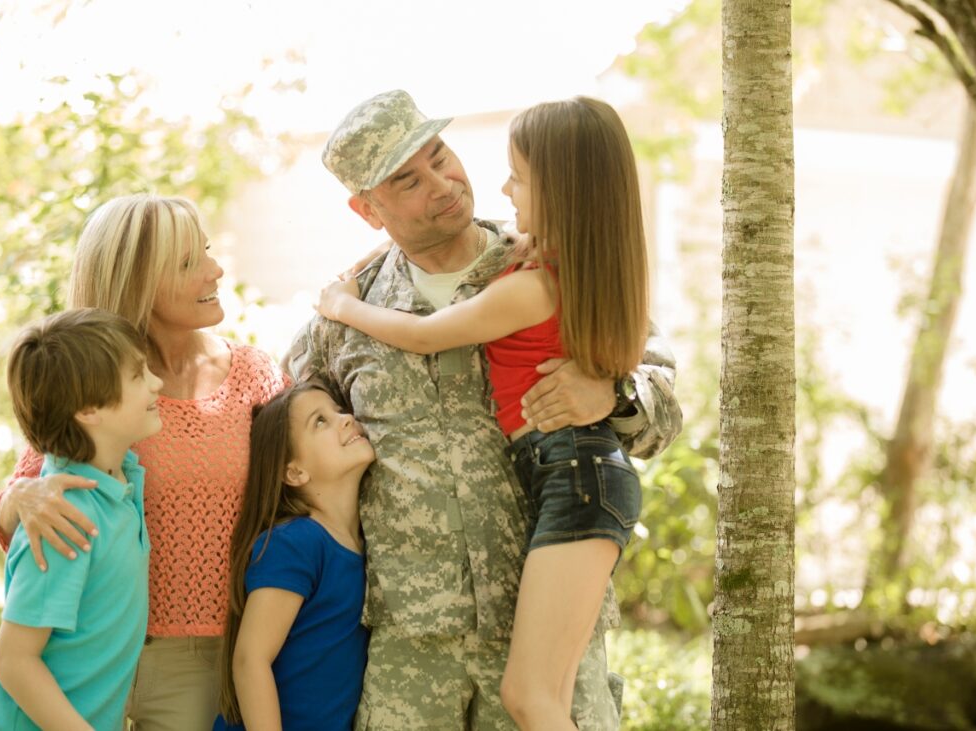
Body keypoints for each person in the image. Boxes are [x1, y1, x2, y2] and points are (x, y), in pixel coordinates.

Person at [283, 89, 684, 730]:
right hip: (412, 643)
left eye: (441, 156)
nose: (442, 184)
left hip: (544, 630)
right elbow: (285, 451)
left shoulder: (550, 259)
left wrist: (613, 393)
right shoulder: (341, 320)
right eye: (408, 180)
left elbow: (663, 403)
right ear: (367, 210)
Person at [0, 194, 288, 731]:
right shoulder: (96, 385)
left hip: (201, 660)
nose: (215, 270)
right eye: (188, 263)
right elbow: (25, 497)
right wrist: (18, 498)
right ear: (137, 282)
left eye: (206, 251)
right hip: (85, 652)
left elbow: (301, 498)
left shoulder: (254, 376)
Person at [0, 308, 161, 731]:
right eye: (139, 375)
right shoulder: (65, 517)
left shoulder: (119, 480)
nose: (156, 384)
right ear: (89, 409)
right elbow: (15, 660)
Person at [214, 383, 373, 730]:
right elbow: (250, 660)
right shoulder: (296, 542)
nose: (346, 419)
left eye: (339, 411)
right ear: (294, 472)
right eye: (320, 422)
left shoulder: (366, 542)